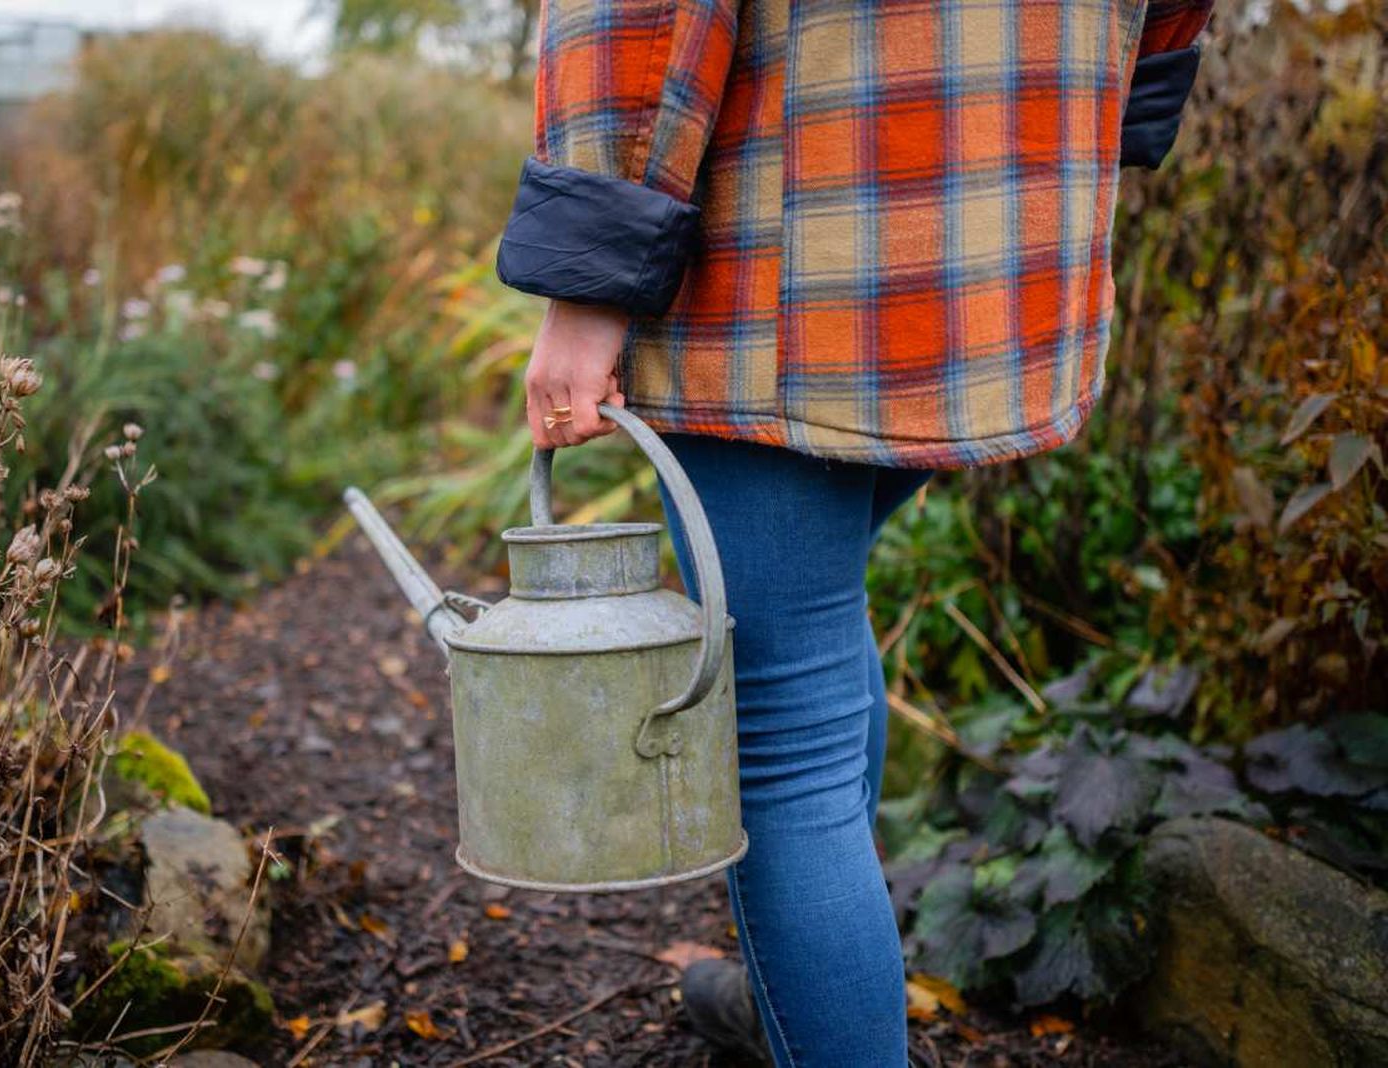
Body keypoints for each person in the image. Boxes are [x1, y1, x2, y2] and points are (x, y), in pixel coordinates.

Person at [495, 1, 1214, 1063]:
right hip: (1006, 196)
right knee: (814, 630)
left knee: (779, 726)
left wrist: (587, 272)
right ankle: (806, 988)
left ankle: (828, 1017)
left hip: (790, 227)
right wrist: (1100, 113)